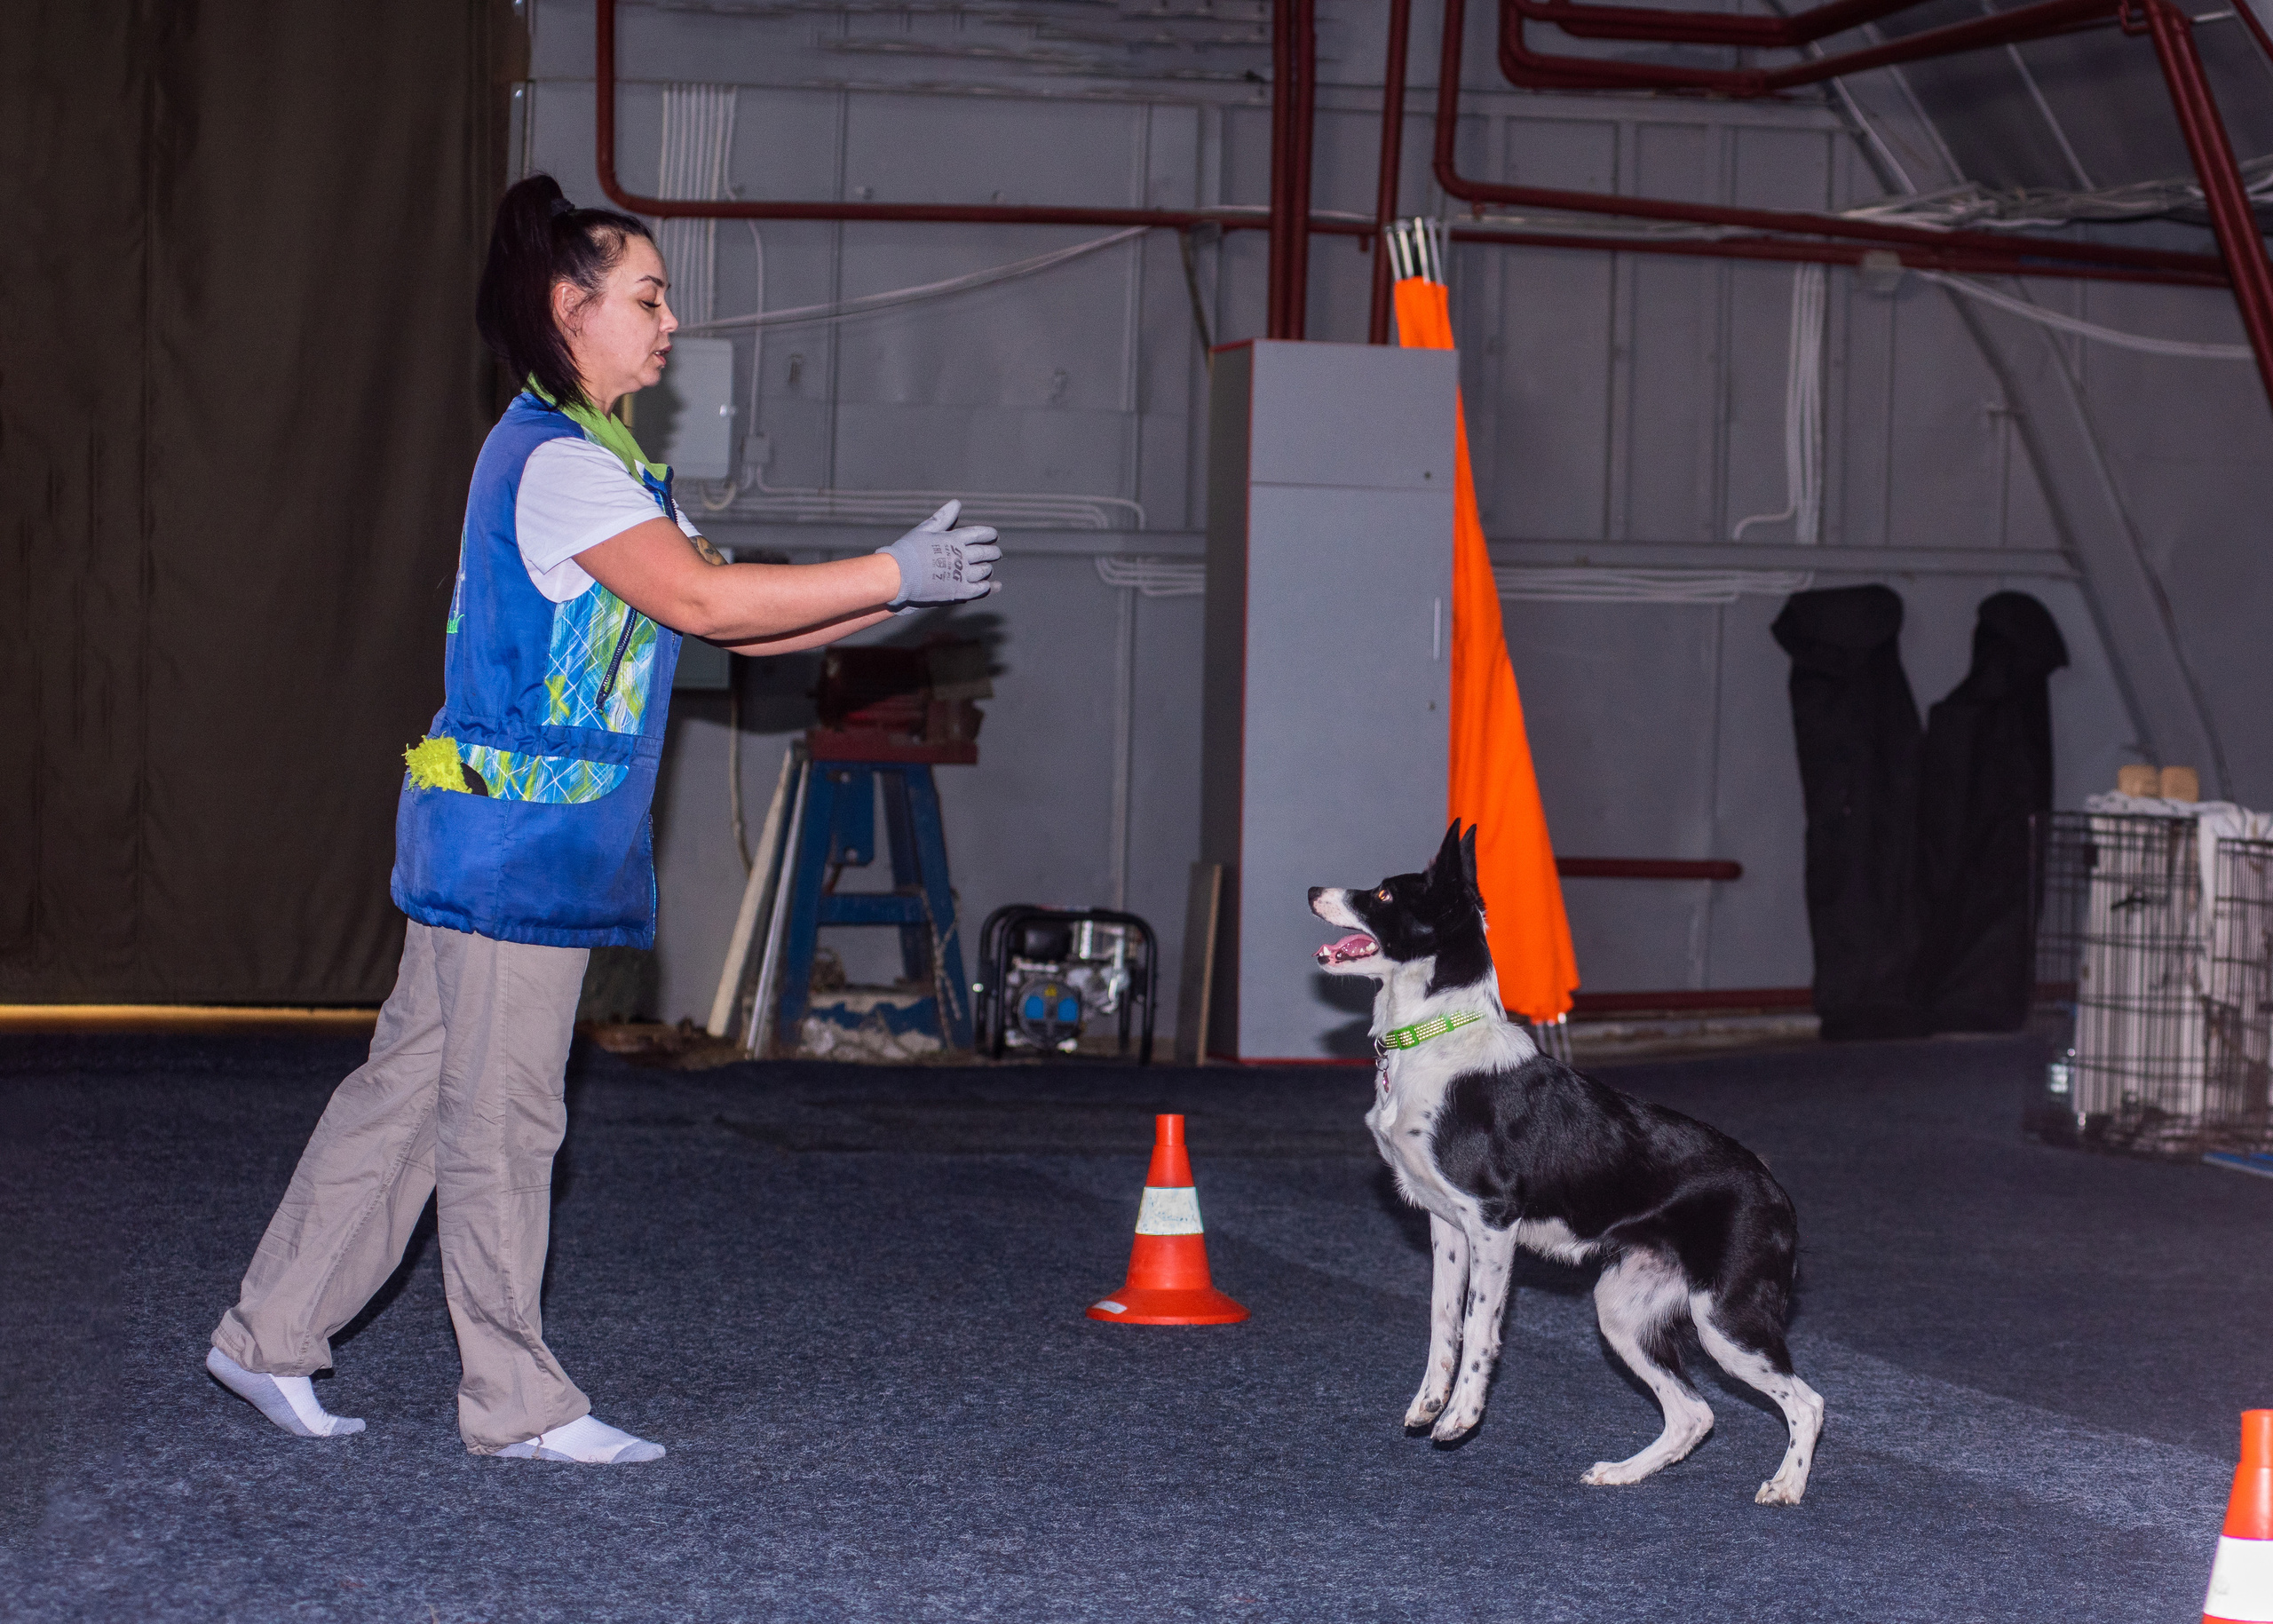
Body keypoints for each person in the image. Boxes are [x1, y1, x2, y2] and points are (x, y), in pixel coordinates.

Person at [203, 174, 1001, 1463]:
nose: (669, 321)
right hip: (517, 853)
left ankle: (265, 1334)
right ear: (568, 311)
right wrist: (888, 573)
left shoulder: (606, 463)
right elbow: (703, 607)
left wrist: (894, 599)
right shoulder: (565, 468)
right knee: (502, 1118)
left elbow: (731, 609)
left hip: (488, 843)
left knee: (408, 1098)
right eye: (645, 296)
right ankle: (512, 1404)